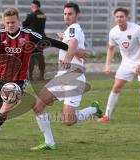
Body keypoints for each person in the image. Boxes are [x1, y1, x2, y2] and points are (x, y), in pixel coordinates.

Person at [0, 7, 86, 149]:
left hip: (18, 80)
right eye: (7, 23)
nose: (10, 25)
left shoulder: (28, 34)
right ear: (4, 22)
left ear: (18, 21)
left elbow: (50, 41)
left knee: (5, 109)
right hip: (0, 77)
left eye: (13, 22)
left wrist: (74, 50)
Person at [30, 2, 103, 151]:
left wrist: (68, 59)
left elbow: (73, 43)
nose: (67, 16)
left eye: (70, 14)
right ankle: (49, 142)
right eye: (65, 13)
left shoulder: (74, 28)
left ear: (77, 15)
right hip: (62, 77)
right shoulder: (69, 30)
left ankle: (93, 109)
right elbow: (71, 44)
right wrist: (64, 40)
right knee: (38, 105)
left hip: (73, 77)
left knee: (68, 121)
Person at [97, 8, 140, 124]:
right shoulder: (113, 32)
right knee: (116, 87)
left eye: (122, 16)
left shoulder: (137, 29)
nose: (119, 19)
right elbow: (111, 48)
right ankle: (107, 115)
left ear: (127, 18)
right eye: (117, 17)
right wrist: (107, 65)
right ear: (114, 18)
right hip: (127, 62)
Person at [22, 0, 46, 81]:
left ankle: (30, 76)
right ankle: (42, 76)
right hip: (41, 38)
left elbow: (24, 24)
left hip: (32, 39)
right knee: (40, 57)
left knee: (31, 57)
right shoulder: (43, 15)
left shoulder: (31, 15)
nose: (31, 8)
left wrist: (28, 17)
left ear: (34, 6)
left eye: (32, 6)